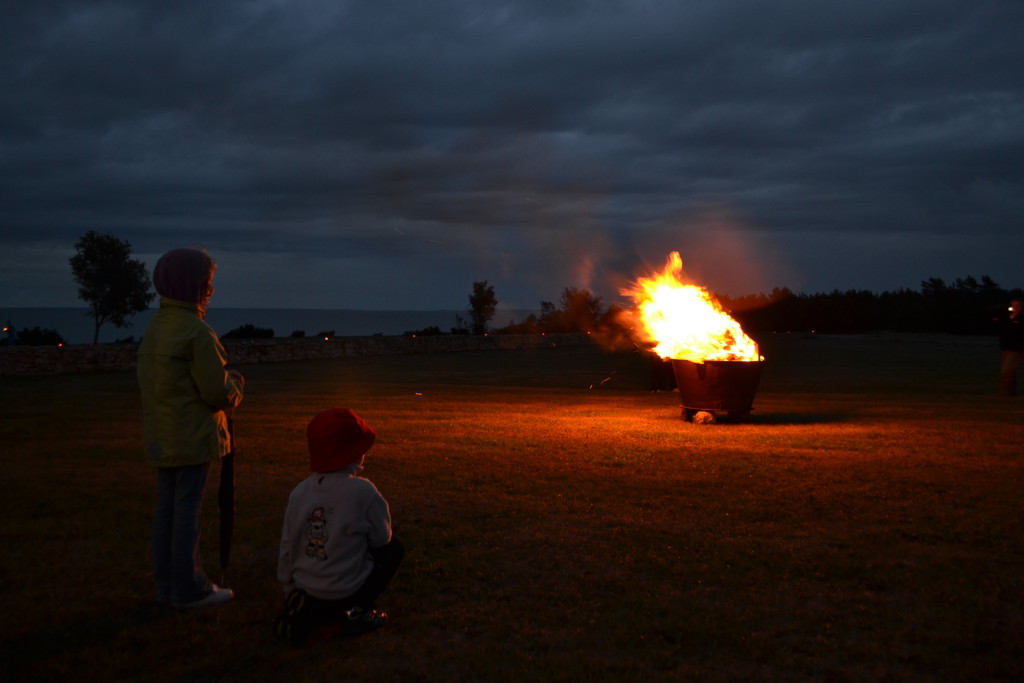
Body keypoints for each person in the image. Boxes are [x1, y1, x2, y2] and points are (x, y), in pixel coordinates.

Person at [137, 247, 245, 607]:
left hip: (163, 435)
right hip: (193, 436)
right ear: (198, 287)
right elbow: (216, 391)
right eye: (208, 284)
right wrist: (236, 386)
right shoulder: (196, 332)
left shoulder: (157, 328)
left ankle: (165, 586)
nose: (211, 291)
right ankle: (189, 589)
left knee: (166, 510)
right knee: (186, 513)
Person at [275, 408, 404, 645]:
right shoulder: (363, 492)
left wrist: (289, 587)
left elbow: (287, 543)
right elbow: (382, 539)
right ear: (355, 452)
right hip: (347, 591)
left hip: (306, 589)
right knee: (394, 548)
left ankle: (310, 610)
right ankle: (357, 611)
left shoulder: (300, 492)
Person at [998, 299, 1024, 396]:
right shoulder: (1006, 318)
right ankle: (1010, 391)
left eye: (1017, 305)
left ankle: (1006, 392)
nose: (1015, 307)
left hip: (1016, 348)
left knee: (1007, 371)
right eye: (1013, 305)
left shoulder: (1021, 318)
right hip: (1006, 347)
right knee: (1010, 371)